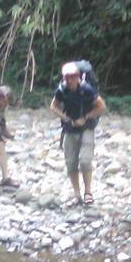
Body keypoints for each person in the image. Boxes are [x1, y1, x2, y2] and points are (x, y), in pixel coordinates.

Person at [49, 62, 106, 205]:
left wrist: (85, 118)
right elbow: (53, 106)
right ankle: (77, 194)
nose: (69, 80)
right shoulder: (61, 89)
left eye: (72, 77)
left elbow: (101, 106)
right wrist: (65, 118)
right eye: (67, 77)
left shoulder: (87, 89)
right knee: (71, 163)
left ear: (78, 77)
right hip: (69, 129)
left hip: (87, 128)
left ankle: (88, 192)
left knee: (85, 161)